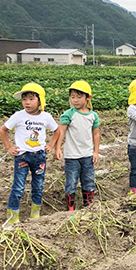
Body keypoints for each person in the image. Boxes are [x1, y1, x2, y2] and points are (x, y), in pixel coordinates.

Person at [0, 83, 59, 228]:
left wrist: (51, 145)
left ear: (40, 101)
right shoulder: (18, 116)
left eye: (31, 99)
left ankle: (35, 213)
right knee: (18, 186)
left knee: (38, 185)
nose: (27, 102)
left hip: (39, 156)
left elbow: (57, 130)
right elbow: (3, 130)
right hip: (22, 156)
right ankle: (13, 216)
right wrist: (9, 147)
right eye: (24, 99)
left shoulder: (46, 117)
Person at [55, 80, 100, 211]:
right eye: (72, 97)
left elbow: (96, 135)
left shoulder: (93, 115)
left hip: (87, 154)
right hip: (72, 155)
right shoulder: (69, 114)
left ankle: (89, 205)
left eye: (79, 97)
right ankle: (70, 208)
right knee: (71, 182)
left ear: (88, 98)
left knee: (89, 180)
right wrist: (58, 148)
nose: (75, 100)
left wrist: (95, 152)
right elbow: (61, 131)